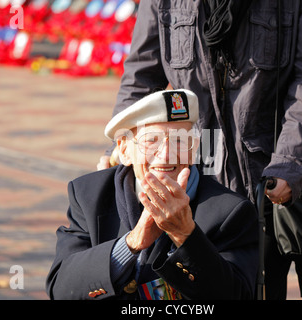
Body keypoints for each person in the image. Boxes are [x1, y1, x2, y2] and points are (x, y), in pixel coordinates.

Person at [97, 0, 302, 299]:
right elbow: (140, 77)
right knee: (184, 288)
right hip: (188, 176)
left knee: (256, 290)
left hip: (265, 182)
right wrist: (122, 150)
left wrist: (291, 164)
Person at [46, 89, 259, 300]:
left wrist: (185, 235)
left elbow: (237, 295)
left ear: (193, 148)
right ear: (124, 149)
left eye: (180, 140)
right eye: (152, 140)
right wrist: (131, 243)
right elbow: (61, 289)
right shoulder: (89, 195)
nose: (166, 155)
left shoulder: (230, 212)